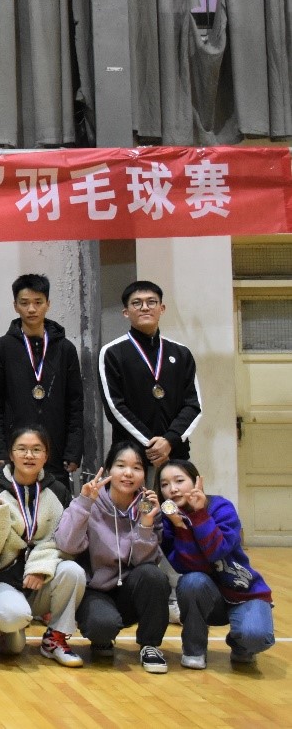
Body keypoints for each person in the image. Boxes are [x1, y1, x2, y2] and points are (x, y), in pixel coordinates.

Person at [55, 442, 171, 673]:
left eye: (136, 468)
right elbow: (66, 544)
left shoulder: (148, 506)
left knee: (154, 576)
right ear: (108, 469)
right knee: (102, 626)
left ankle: (150, 645)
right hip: (95, 590)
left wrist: (146, 523)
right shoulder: (90, 500)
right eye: (121, 466)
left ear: (144, 474)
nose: (128, 473)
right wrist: (84, 503)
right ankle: (102, 637)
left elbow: (145, 563)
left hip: (129, 589)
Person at [0, 426, 86, 667]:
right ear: (11, 454)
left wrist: (40, 567)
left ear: (46, 456)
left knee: (73, 571)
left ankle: (55, 638)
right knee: (13, 641)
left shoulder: (58, 491)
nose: (29, 455)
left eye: (37, 450)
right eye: (22, 449)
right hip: (5, 581)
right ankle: (12, 629)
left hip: (42, 580)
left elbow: (64, 542)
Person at [159, 459, 274, 669]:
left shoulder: (221, 507)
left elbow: (216, 551)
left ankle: (240, 644)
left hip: (243, 592)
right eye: (164, 484)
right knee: (191, 582)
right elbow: (188, 566)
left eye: (179, 481)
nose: (172, 489)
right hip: (208, 597)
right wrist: (180, 527)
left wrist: (199, 514)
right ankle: (194, 650)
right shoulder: (168, 521)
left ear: (196, 481)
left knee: (255, 637)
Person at [0, 274, 84, 479]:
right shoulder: (0, 349)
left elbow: (75, 404)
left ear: (48, 304)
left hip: (55, 451)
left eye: (38, 302)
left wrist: (73, 451)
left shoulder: (65, 349)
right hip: (14, 452)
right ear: (15, 306)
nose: (31, 309)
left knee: (56, 499)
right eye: (24, 303)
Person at [100, 280, 201, 471]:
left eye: (151, 302)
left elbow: (193, 405)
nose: (145, 307)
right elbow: (115, 406)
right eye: (137, 303)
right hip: (132, 457)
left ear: (162, 308)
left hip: (175, 453)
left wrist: (169, 440)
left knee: (176, 492)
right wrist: (152, 444)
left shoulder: (181, 353)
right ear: (126, 312)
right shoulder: (112, 352)